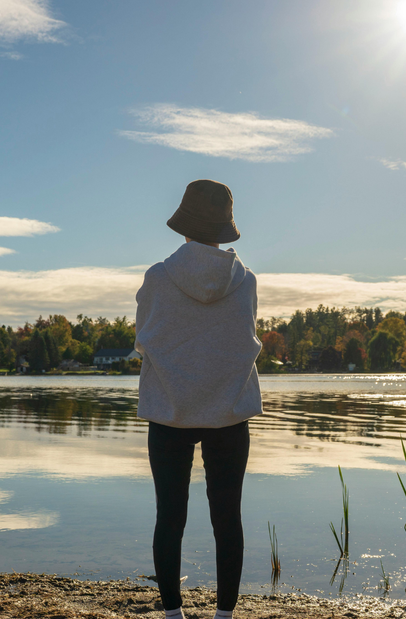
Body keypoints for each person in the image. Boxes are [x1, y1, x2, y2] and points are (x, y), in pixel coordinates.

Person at [134, 179, 264, 619]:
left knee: (169, 516)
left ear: (184, 225)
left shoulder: (157, 277)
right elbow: (241, 340)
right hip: (229, 412)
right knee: (228, 518)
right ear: (223, 227)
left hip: (169, 411)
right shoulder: (245, 281)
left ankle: (173, 614)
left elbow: (144, 340)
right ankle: (224, 616)